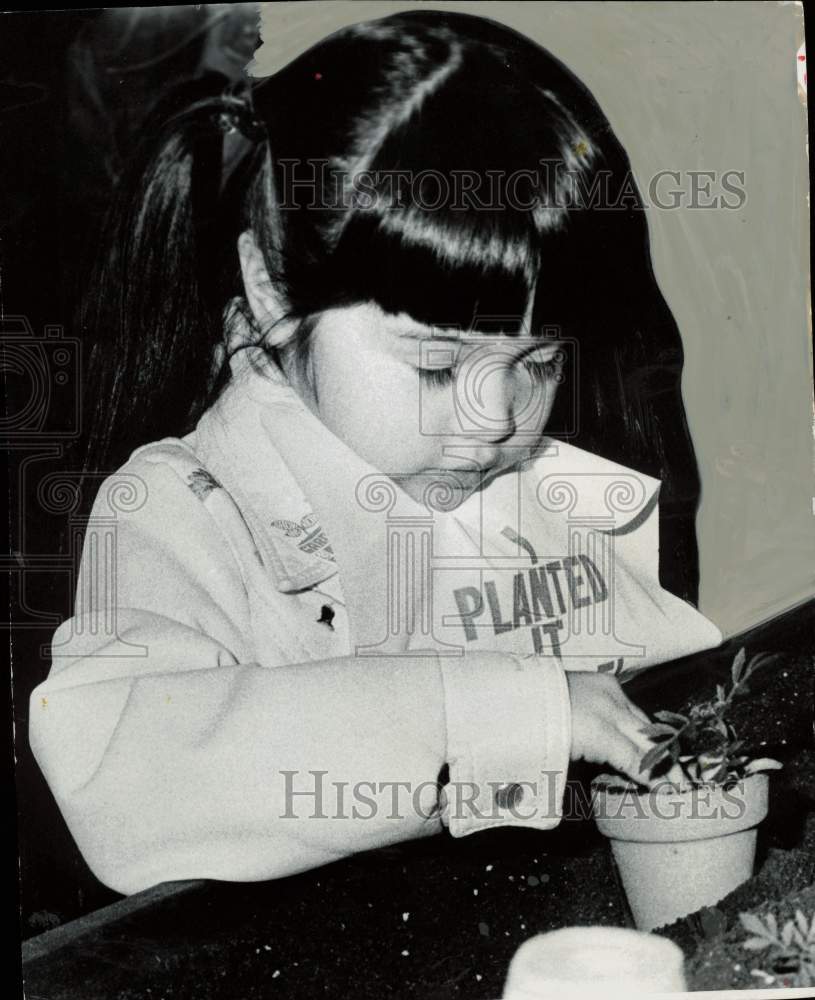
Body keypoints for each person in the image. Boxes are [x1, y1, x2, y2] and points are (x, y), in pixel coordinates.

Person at [29, 10, 721, 897]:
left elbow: (656, 696)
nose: (496, 417)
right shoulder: (185, 507)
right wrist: (508, 710)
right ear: (271, 289)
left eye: (539, 361)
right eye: (436, 362)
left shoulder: (535, 482)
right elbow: (125, 779)